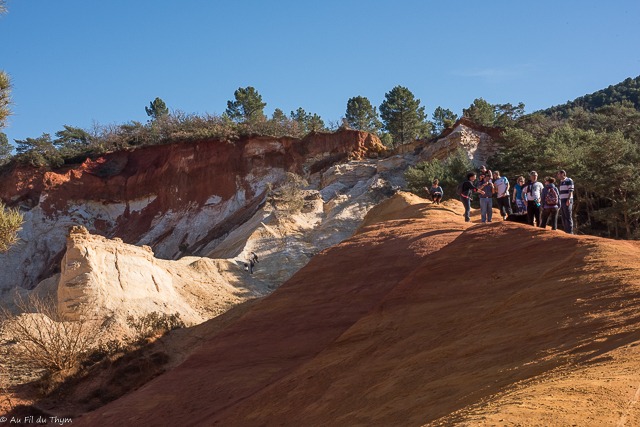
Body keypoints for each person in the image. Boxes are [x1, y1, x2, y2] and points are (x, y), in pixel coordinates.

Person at [557, 169, 575, 234]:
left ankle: (570, 232)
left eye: (558, 174)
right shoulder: (561, 182)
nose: (558, 175)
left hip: (567, 200)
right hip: (562, 200)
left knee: (568, 216)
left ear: (562, 174)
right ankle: (566, 232)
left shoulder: (569, 180)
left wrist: (568, 200)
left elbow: (571, 190)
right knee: (563, 216)